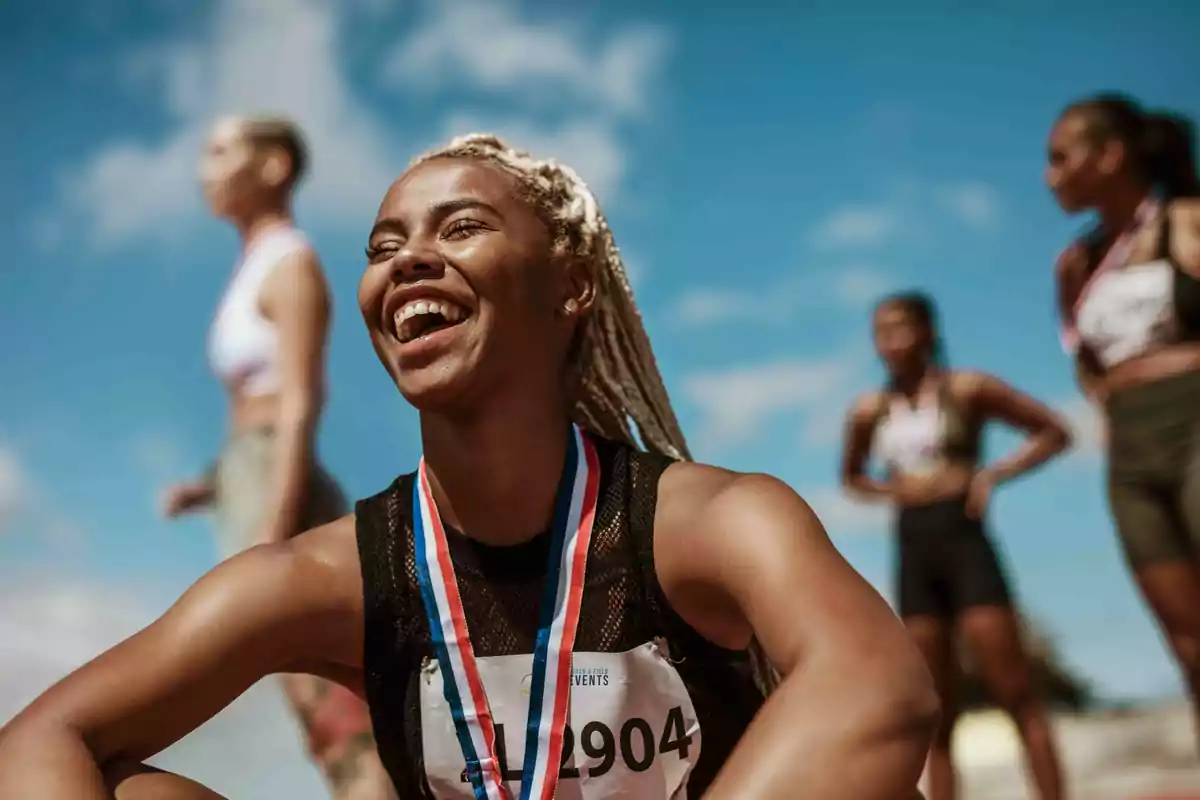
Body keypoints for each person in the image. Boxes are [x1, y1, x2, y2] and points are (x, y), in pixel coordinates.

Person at [0, 134, 939, 799]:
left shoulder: (707, 521)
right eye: (384, 245)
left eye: (459, 228)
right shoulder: (330, 576)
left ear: (570, 283)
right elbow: (46, 736)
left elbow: (879, 689)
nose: (408, 260)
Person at [159, 116, 395, 800]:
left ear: (274, 165)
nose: (205, 166)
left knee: (333, 700)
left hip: (273, 480)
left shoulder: (290, 262)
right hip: (248, 473)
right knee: (310, 692)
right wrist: (209, 487)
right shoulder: (253, 265)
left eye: (221, 148)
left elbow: (298, 400)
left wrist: (273, 526)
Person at [840, 292, 1071, 800]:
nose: (889, 341)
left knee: (1015, 691)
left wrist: (991, 476)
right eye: (880, 331)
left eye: (900, 328)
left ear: (928, 332)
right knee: (936, 708)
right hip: (914, 546)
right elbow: (851, 477)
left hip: (965, 541)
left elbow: (1054, 431)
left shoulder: (967, 389)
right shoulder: (869, 410)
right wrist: (894, 490)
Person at [1048, 93, 1200, 744]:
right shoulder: (1075, 263)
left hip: (1194, 420)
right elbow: (1083, 359)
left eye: (1061, 158)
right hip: (1131, 453)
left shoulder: (1185, 222)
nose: (1050, 176)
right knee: (1187, 639)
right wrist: (1108, 403)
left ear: (1110, 155)